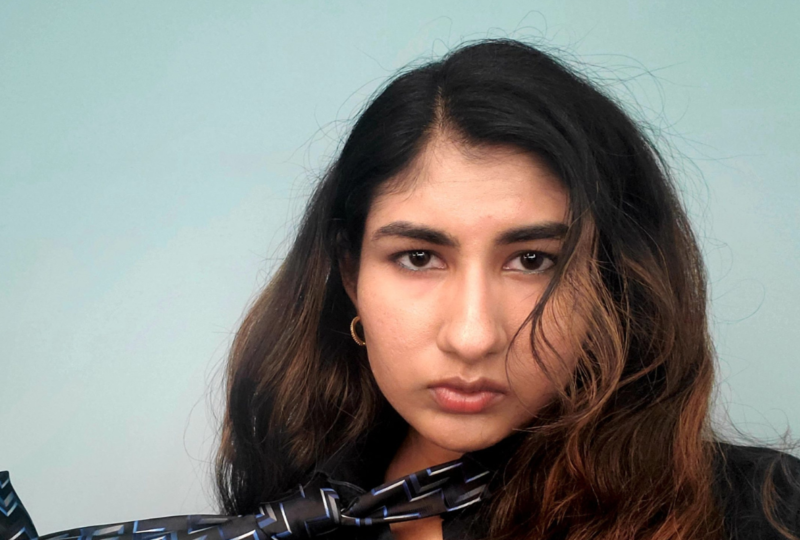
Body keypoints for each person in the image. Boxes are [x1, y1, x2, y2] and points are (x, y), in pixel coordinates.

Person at [3, 38, 799, 540]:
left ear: (613, 282)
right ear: (350, 271)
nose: (474, 335)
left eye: (533, 261)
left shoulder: (760, 512)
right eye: (420, 257)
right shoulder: (288, 509)